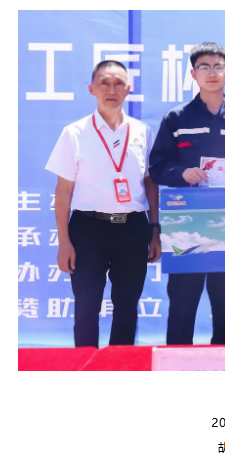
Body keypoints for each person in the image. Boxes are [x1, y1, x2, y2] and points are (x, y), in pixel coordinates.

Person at [149, 42, 225, 345]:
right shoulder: (176, 118)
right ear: (193, 73)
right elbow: (157, 167)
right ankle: (176, 365)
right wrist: (182, 173)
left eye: (218, 66)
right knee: (182, 305)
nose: (212, 73)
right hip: (186, 226)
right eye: (204, 67)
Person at [45, 60, 161, 348]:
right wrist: (64, 242)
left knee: (127, 308)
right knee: (86, 307)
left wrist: (155, 229)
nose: (112, 89)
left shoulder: (142, 131)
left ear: (128, 89)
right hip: (88, 229)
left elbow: (150, 183)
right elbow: (63, 191)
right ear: (92, 89)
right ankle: (86, 366)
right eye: (104, 83)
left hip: (133, 228)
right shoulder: (74, 133)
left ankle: (120, 366)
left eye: (118, 83)